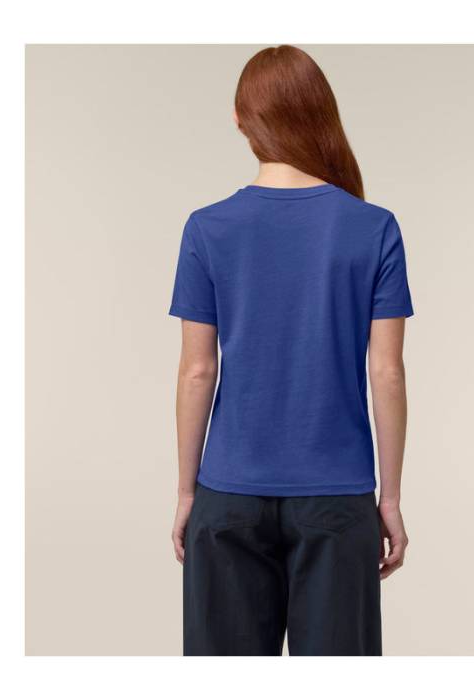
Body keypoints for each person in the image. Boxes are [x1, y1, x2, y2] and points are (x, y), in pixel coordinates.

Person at [169, 45, 414, 656]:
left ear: (240, 119)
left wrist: (186, 493)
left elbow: (198, 370)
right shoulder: (374, 227)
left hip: (228, 494)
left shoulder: (207, 228)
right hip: (336, 499)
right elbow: (386, 372)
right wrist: (389, 499)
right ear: (320, 113)